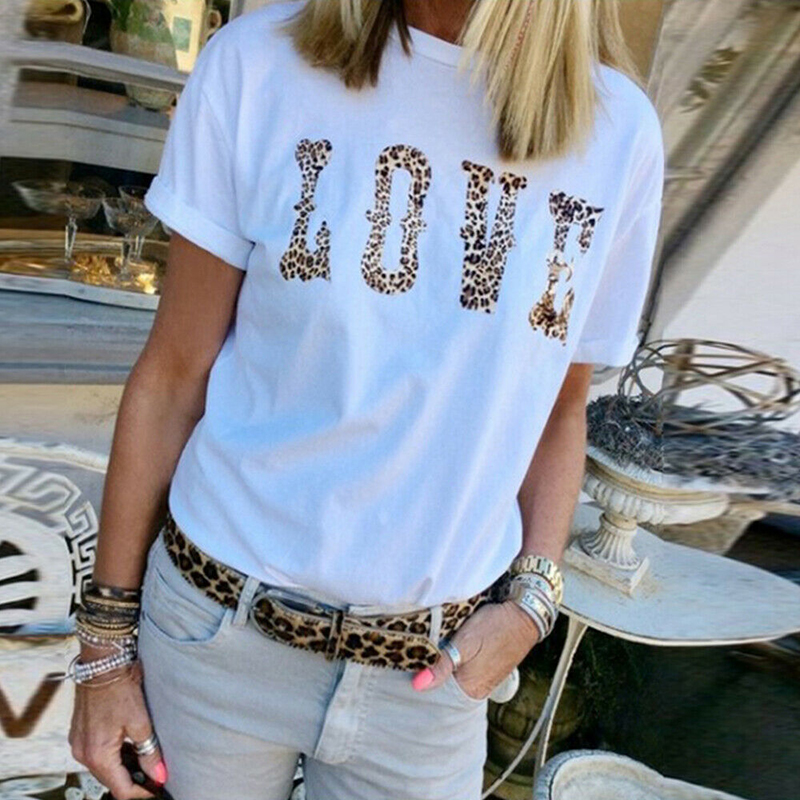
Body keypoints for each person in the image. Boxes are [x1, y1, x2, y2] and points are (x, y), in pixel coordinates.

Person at [68, 1, 665, 799]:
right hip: (215, 638)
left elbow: (558, 409)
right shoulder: (258, 65)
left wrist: (533, 600)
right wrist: (105, 650)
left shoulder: (616, 132)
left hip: (432, 678)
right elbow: (173, 377)